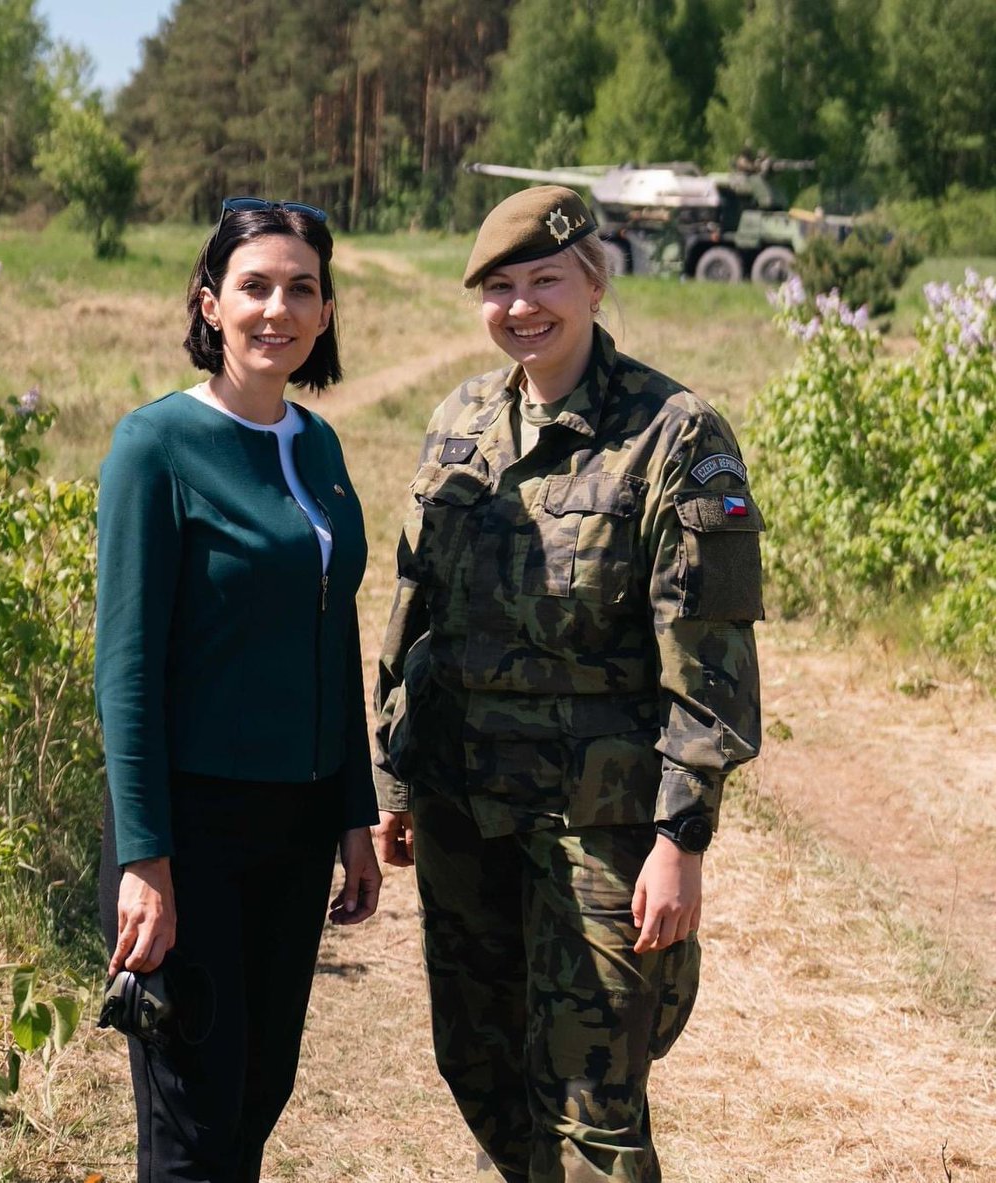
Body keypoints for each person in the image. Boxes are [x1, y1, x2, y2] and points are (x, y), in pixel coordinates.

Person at [372, 185, 763, 1183]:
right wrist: (396, 776)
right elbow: (414, 606)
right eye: (499, 288)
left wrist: (681, 840)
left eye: (545, 279)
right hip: (465, 807)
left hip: (601, 825)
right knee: (478, 1061)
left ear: (594, 281)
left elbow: (709, 662)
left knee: (594, 1106)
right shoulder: (459, 420)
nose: (522, 307)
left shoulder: (676, 434)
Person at [95, 197, 382, 1183]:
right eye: (255, 285)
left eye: (302, 287)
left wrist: (355, 815)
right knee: (191, 1127)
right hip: (192, 833)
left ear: (326, 311)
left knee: (257, 1096)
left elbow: (331, 631)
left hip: (297, 833)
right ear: (209, 303)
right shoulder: (157, 446)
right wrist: (145, 857)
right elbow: (125, 668)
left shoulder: (319, 447)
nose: (279, 308)